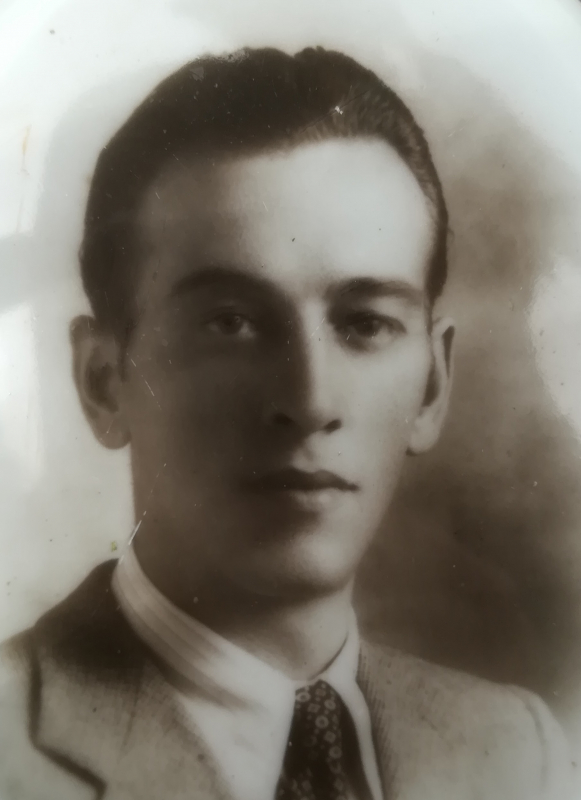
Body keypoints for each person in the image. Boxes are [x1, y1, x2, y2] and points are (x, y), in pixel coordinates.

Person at [0, 46, 573, 800]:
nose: (308, 401)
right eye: (230, 322)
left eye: (364, 323)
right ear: (104, 383)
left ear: (432, 385)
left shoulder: (520, 752)